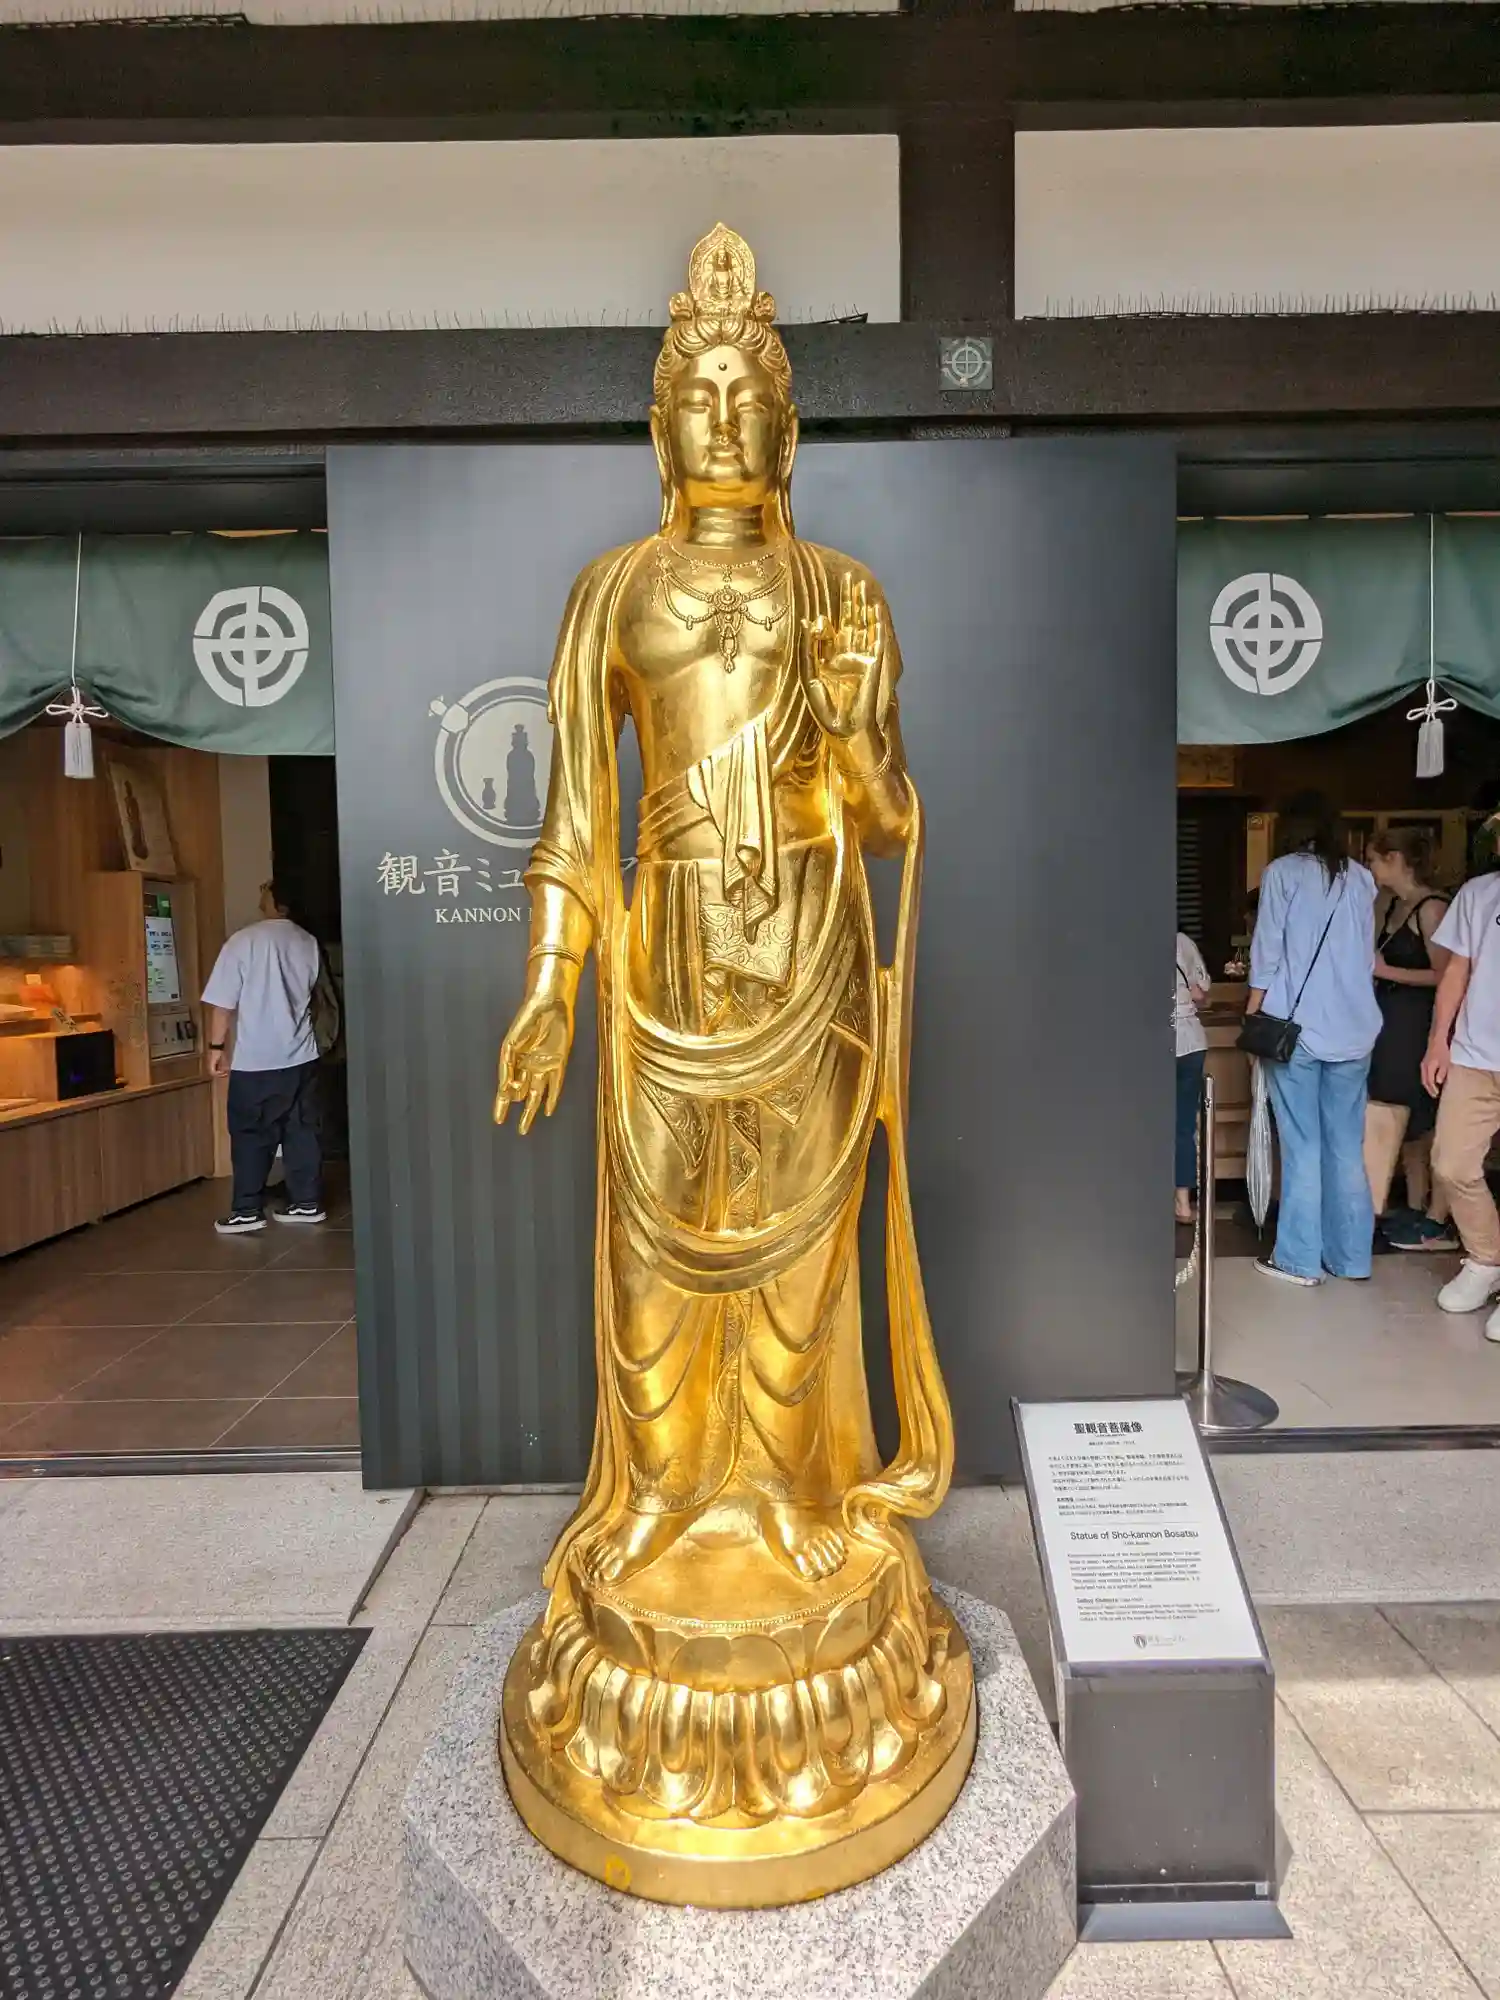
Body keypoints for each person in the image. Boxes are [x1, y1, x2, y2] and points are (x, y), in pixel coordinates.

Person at [1246, 793, 1381, 1285]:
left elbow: (1267, 953)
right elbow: (1365, 956)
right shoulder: (1360, 878)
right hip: (1356, 1030)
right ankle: (1351, 1258)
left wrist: (1252, 1013)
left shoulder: (1282, 873)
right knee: (1346, 1147)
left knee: (1303, 1146)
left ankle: (1298, 1260)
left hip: (1296, 1030)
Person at [202, 878, 326, 1233]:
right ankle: (306, 1203)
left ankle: (247, 1210)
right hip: (302, 1054)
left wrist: (216, 1048)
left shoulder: (243, 942)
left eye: (265, 889)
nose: (260, 893)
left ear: (275, 900)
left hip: (256, 1059)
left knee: (251, 1134)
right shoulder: (308, 941)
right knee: (301, 1130)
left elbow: (223, 1003)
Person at [1364, 828, 1454, 1250]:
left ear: (1395, 859)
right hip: (1392, 1023)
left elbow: (1446, 976)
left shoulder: (1432, 908)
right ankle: (1415, 1207)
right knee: (1403, 1117)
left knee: (1424, 1120)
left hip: (1419, 1024)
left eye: (1373, 859)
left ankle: (1437, 1216)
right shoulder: (1394, 905)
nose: (1370, 868)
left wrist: (1387, 972)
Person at [1423, 857, 1500, 1338]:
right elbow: (1457, 971)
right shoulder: (1478, 892)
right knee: (1451, 1163)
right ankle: (1487, 1259)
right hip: (1474, 1055)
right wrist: (1439, 1040)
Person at [1175, 930, 1210, 1225]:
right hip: (1189, 1042)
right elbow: (1200, 993)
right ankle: (1183, 1205)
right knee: (1183, 1126)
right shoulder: (1182, 942)